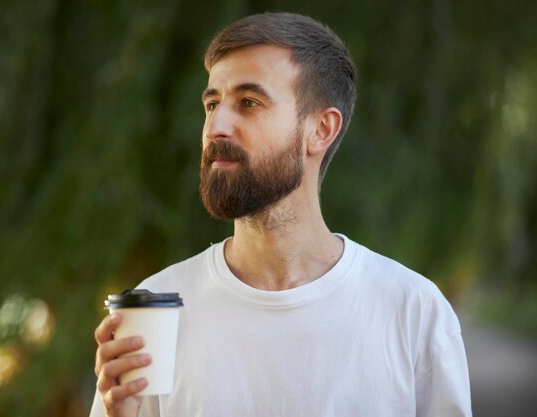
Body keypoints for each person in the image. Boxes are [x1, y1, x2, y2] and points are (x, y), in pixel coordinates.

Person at [90, 12, 472, 417]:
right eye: (212, 103)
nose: (215, 126)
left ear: (321, 130)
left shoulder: (413, 313)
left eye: (249, 103)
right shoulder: (156, 310)